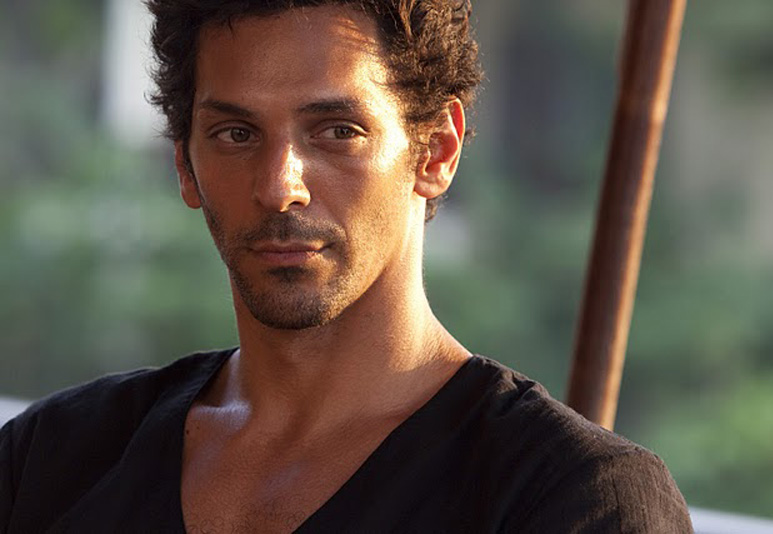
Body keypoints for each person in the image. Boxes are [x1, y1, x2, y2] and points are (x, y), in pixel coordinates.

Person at [0, 1, 693, 532]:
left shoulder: (573, 498)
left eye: (338, 131)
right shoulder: (54, 459)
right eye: (236, 133)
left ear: (437, 150)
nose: (280, 186)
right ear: (185, 164)